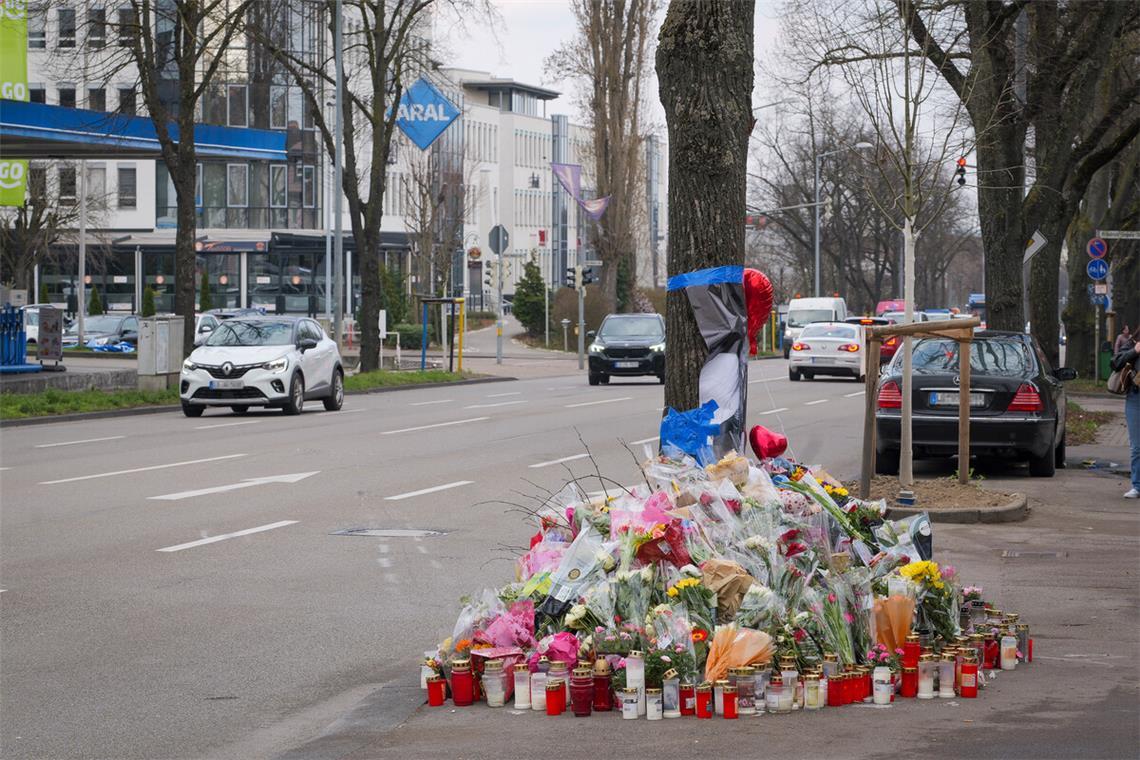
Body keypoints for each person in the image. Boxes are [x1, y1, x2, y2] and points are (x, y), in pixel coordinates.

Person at [1112, 342, 1140, 499]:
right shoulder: (1134, 342)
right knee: (1137, 446)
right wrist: (1134, 351)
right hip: (1136, 398)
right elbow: (1115, 362)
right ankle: (1137, 486)